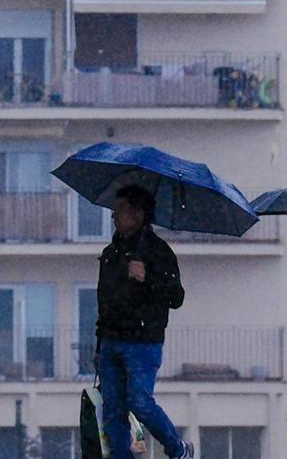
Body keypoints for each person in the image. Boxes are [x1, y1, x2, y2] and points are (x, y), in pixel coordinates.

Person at [95, 185, 194, 459]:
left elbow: (176, 296)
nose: (114, 216)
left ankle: (177, 448)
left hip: (142, 341)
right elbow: (103, 299)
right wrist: (99, 344)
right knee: (113, 409)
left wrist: (147, 277)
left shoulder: (159, 252)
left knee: (140, 402)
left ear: (138, 214)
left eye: (120, 210)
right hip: (111, 340)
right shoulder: (111, 253)